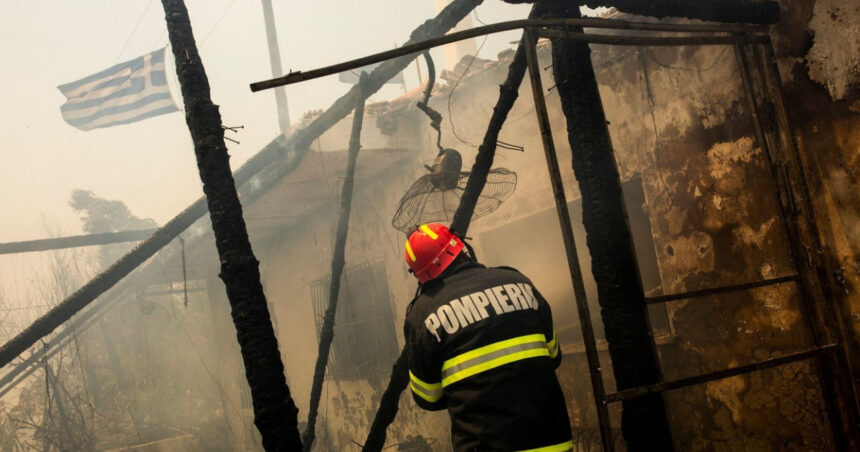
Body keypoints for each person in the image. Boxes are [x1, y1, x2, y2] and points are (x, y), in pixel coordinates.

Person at [403, 222, 573, 451]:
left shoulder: (422, 315)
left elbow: (428, 398)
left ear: (420, 275)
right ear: (461, 248)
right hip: (554, 443)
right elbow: (553, 356)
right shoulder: (519, 282)